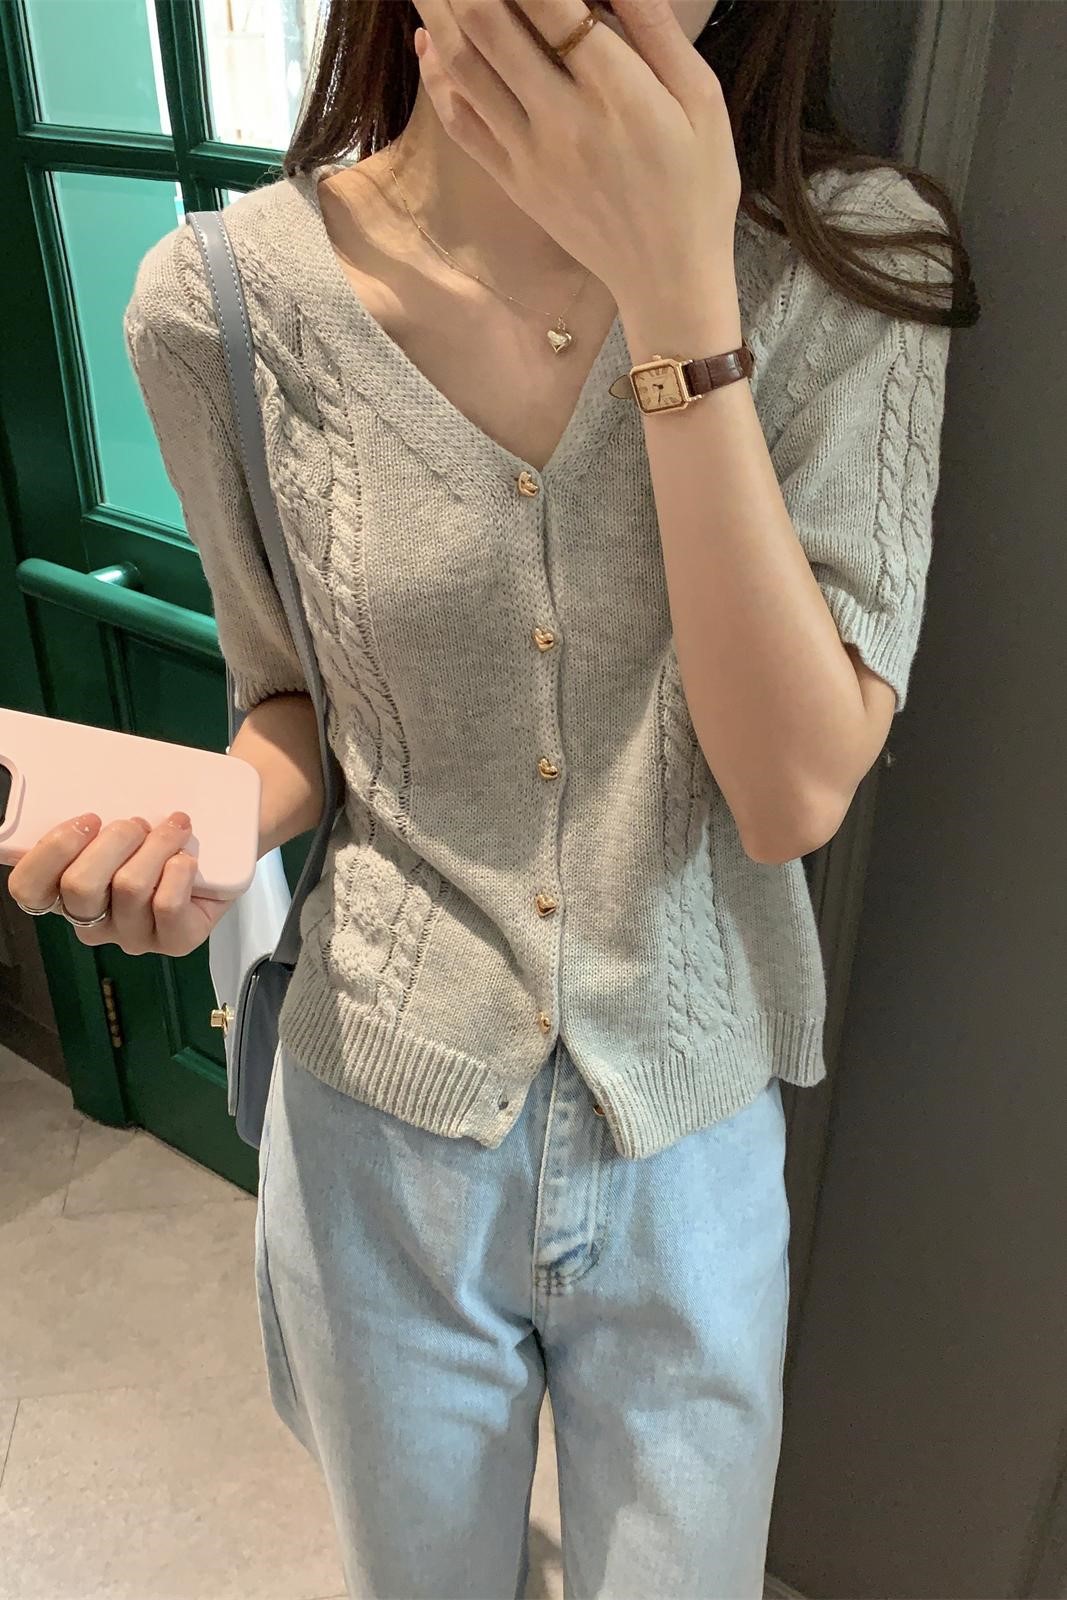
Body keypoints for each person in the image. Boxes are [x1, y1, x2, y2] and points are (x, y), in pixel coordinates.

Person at [8, 0, 979, 1594]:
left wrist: (677, 293)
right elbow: (291, 700)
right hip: (376, 1127)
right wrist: (215, 827)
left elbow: (792, 790)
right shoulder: (226, 306)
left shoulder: (852, 268)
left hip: (686, 1132)